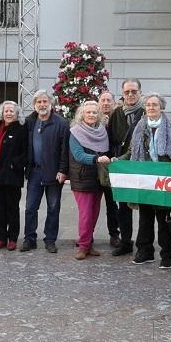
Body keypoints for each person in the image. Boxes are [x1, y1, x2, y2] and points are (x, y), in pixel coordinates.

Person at [124, 94, 171, 268]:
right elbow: (130, 152)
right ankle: (145, 251)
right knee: (145, 219)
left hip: (163, 182)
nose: (151, 108)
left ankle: (166, 255)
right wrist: (117, 160)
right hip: (144, 181)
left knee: (163, 220)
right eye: (148, 105)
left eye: (155, 105)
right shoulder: (139, 127)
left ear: (161, 107)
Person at [21, 90, 69, 253]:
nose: (42, 105)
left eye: (45, 102)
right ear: (35, 105)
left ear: (51, 104)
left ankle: (50, 240)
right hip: (34, 172)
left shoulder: (61, 123)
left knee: (53, 207)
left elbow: (64, 149)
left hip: (54, 173)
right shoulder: (29, 122)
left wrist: (63, 170)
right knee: (30, 208)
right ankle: (29, 239)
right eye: (39, 102)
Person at [107, 78, 145, 256]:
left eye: (134, 91)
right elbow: (110, 138)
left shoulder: (147, 111)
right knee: (123, 208)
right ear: (122, 94)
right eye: (127, 92)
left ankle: (144, 244)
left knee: (145, 208)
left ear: (140, 92)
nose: (130, 95)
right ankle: (126, 242)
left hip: (144, 166)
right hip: (123, 166)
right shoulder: (116, 114)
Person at [69, 101, 110, 260]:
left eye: (94, 112)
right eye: (88, 112)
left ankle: (89, 243)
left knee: (94, 214)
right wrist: (97, 159)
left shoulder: (102, 131)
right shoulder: (75, 132)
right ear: (82, 114)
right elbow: (78, 155)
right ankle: (83, 246)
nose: (91, 115)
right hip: (81, 178)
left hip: (98, 178)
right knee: (85, 214)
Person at [0, 101, 28, 251]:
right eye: (6, 111)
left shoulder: (22, 129)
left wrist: (14, 164)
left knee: (12, 208)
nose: (9, 113)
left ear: (17, 113)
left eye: (12, 111)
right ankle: (1, 238)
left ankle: (12, 238)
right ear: (2, 113)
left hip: (12, 176)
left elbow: (26, 152)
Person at [98, 90, 120, 248]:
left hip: (111, 166)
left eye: (108, 100)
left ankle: (115, 234)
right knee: (90, 205)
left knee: (112, 204)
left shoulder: (118, 118)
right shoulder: (93, 117)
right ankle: (86, 236)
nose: (105, 103)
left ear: (113, 103)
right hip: (94, 166)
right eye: (103, 100)